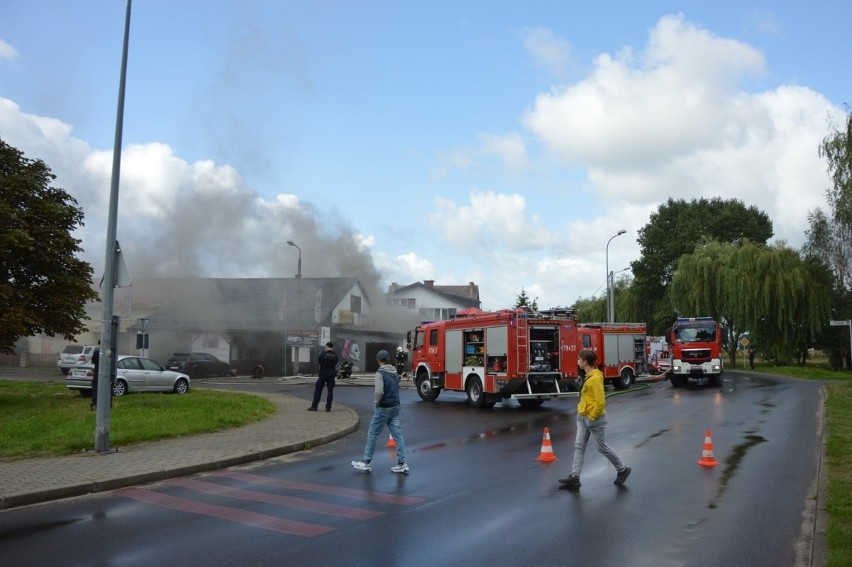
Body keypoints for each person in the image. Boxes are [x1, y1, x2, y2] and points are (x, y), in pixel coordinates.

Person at [559, 349, 630, 489]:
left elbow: (600, 402)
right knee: (579, 446)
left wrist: (592, 417)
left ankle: (622, 469)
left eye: (579, 359)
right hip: (582, 416)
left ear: (585, 362)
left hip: (594, 419)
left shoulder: (596, 378)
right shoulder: (588, 376)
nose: (577, 361)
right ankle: (574, 477)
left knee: (601, 447)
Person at [351, 350, 409, 474]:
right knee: (398, 435)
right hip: (395, 407)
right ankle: (402, 463)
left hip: (383, 408)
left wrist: (376, 403)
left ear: (378, 360)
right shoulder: (395, 372)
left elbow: (379, 392)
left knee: (373, 433)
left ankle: (367, 462)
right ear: (388, 359)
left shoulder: (380, 373)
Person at [308, 342, 338, 412]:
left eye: (325, 347)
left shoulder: (323, 354)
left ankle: (314, 407)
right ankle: (328, 408)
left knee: (318, 389)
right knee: (330, 391)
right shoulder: (335, 355)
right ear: (332, 347)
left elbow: (320, 361)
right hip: (331, 374)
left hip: (323, 374)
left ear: (327, 347)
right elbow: (335, 363)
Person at [90, 343, 101, 411]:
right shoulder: (109, 352)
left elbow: (93, 361)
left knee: (95, 389)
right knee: (107, 389)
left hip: (97, 373)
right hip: (106, 374)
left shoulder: (97, 352)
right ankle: (109, 404)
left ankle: (94, 403)